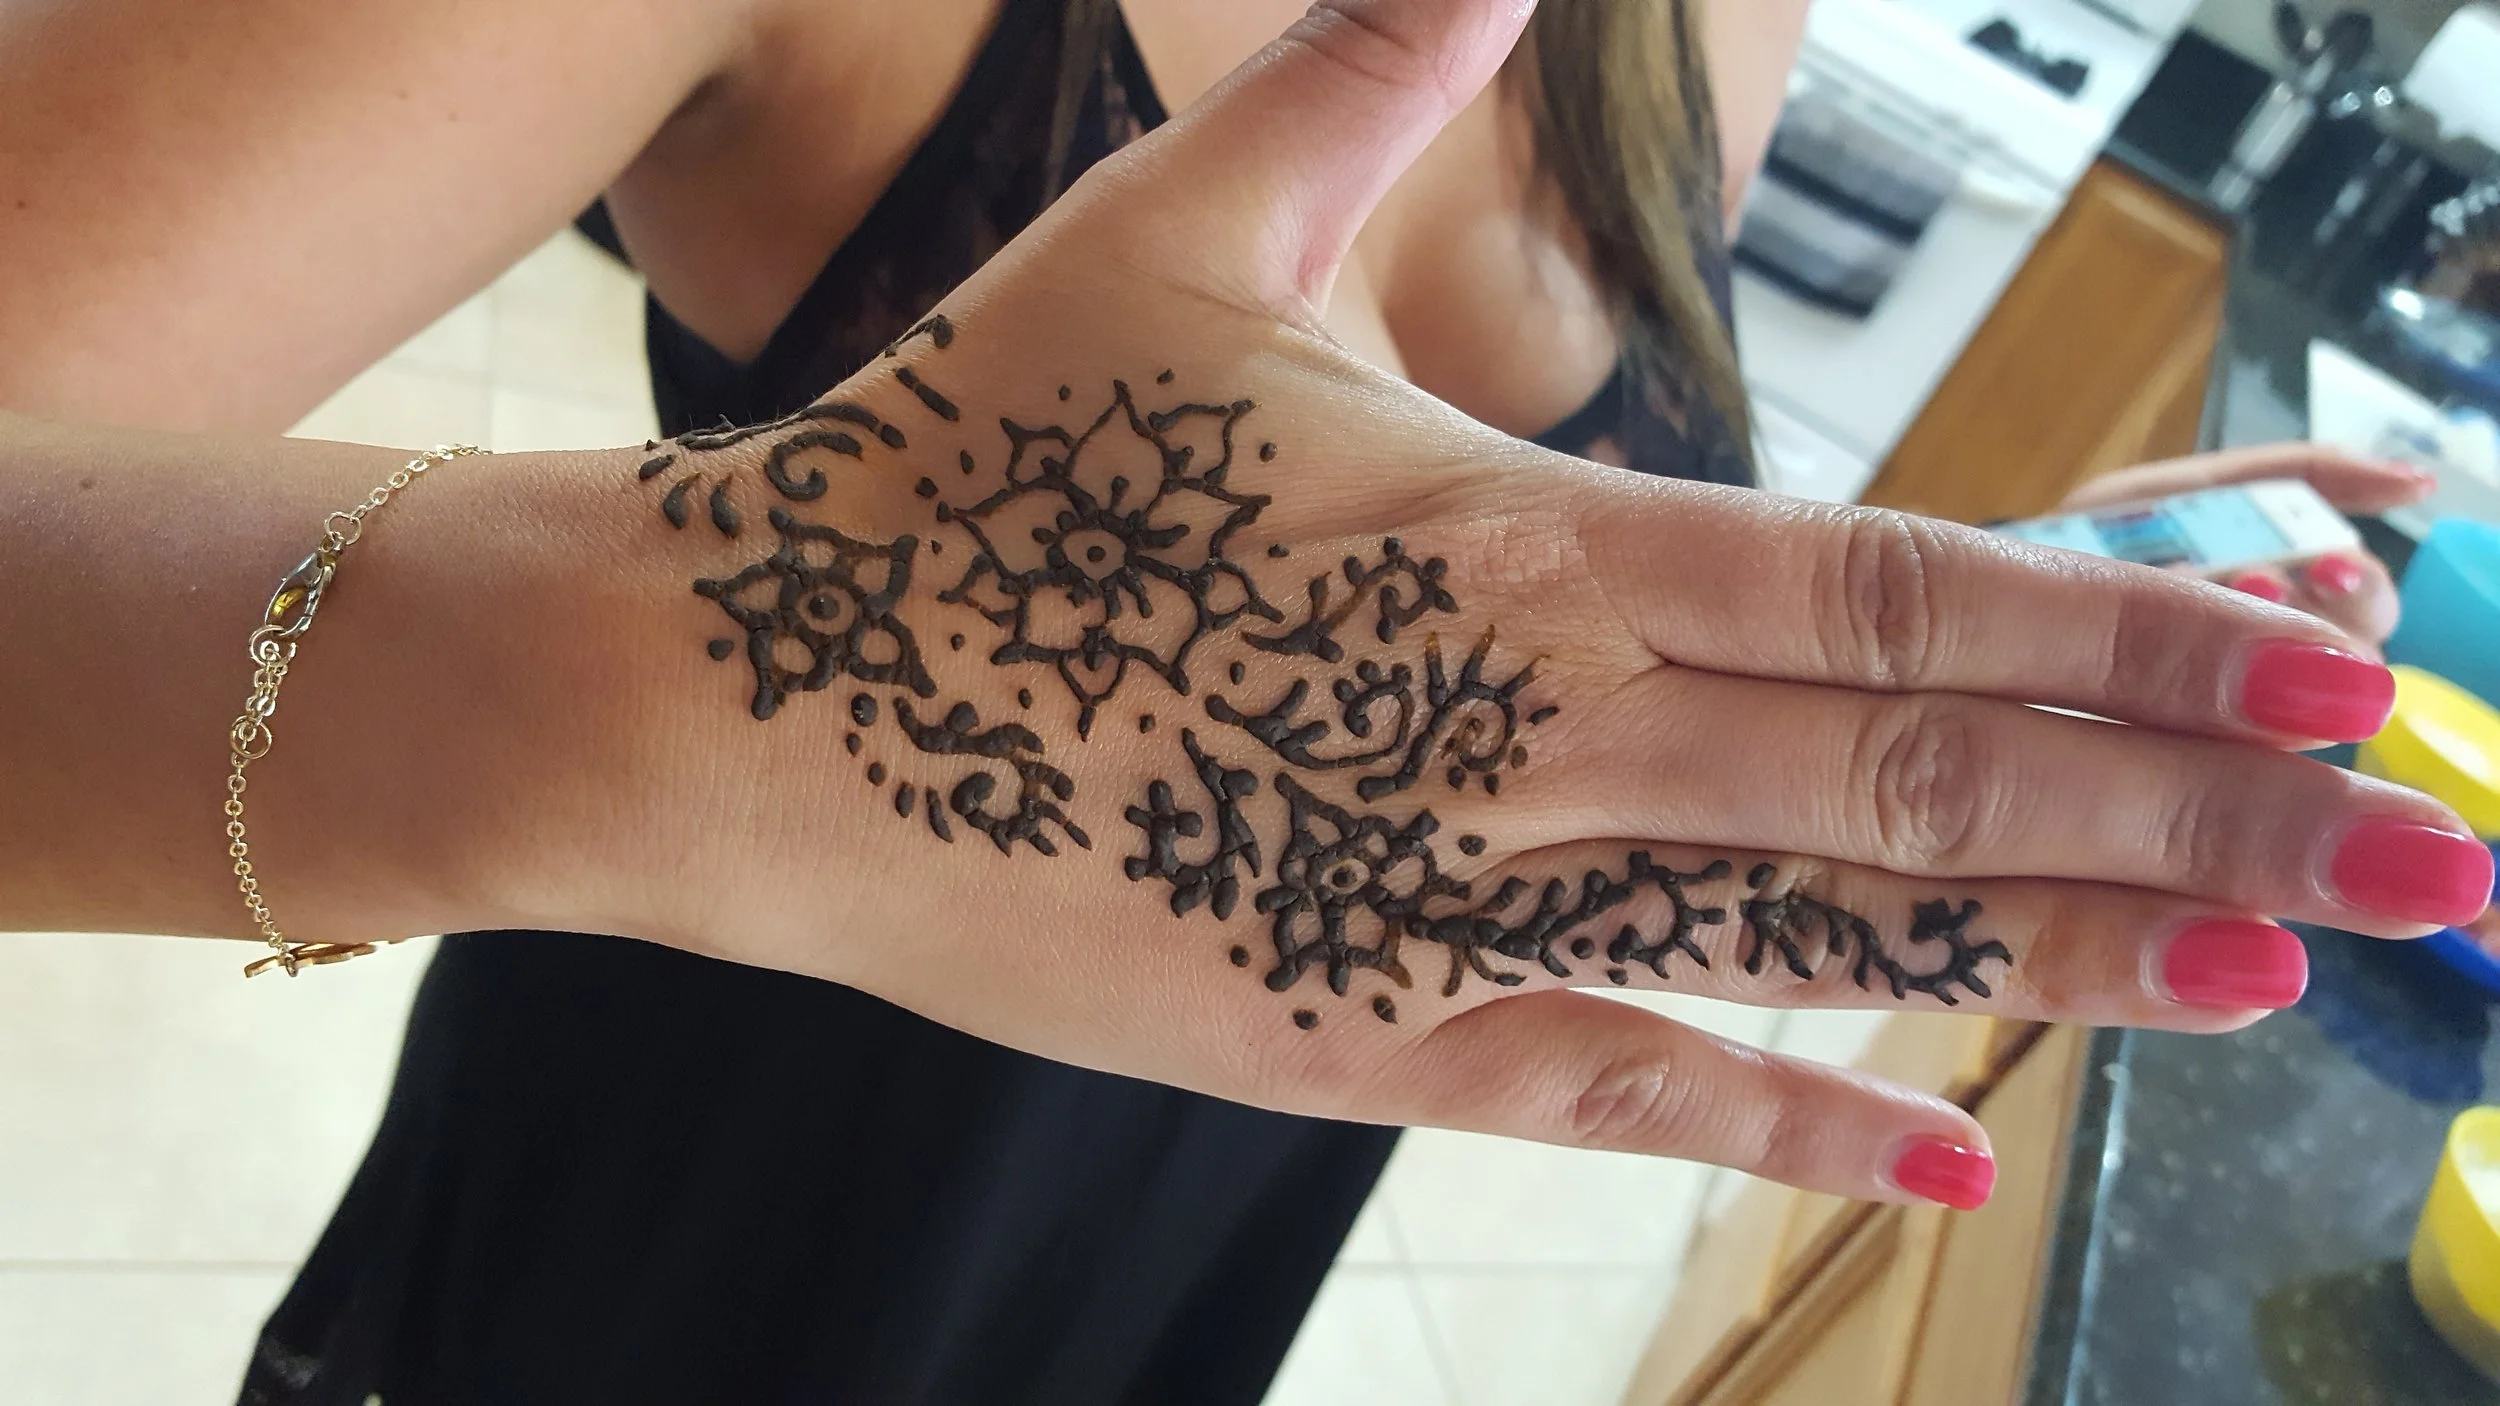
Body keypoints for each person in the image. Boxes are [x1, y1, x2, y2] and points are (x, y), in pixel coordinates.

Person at [0, 1, 2482, 1402]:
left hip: (1187, 1248)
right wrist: (680, 661)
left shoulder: (1711, 20)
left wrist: (1978, 593)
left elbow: (1445, 582)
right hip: (663, 1247)